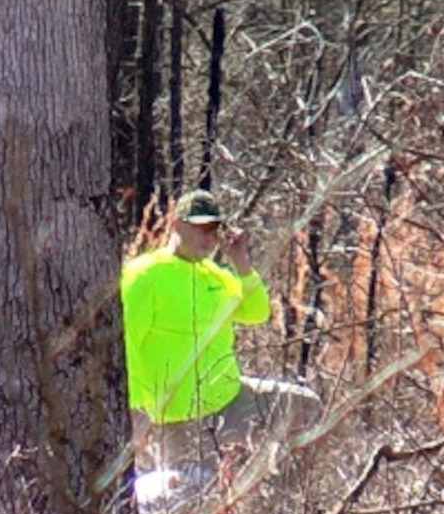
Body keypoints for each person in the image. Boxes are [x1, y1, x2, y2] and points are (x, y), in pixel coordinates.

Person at [120, 188, 320, 477]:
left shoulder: (215, 275)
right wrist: (138, 409)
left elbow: (257, 313)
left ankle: (277, 505)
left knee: (305, 407)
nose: (209, 237)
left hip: (231, 398)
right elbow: (128, 342)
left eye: (214, 229)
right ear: (177, 225)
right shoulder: (144, 274)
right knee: (191, 497)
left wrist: (241, 262)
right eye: (200, 228)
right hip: (179, 417)